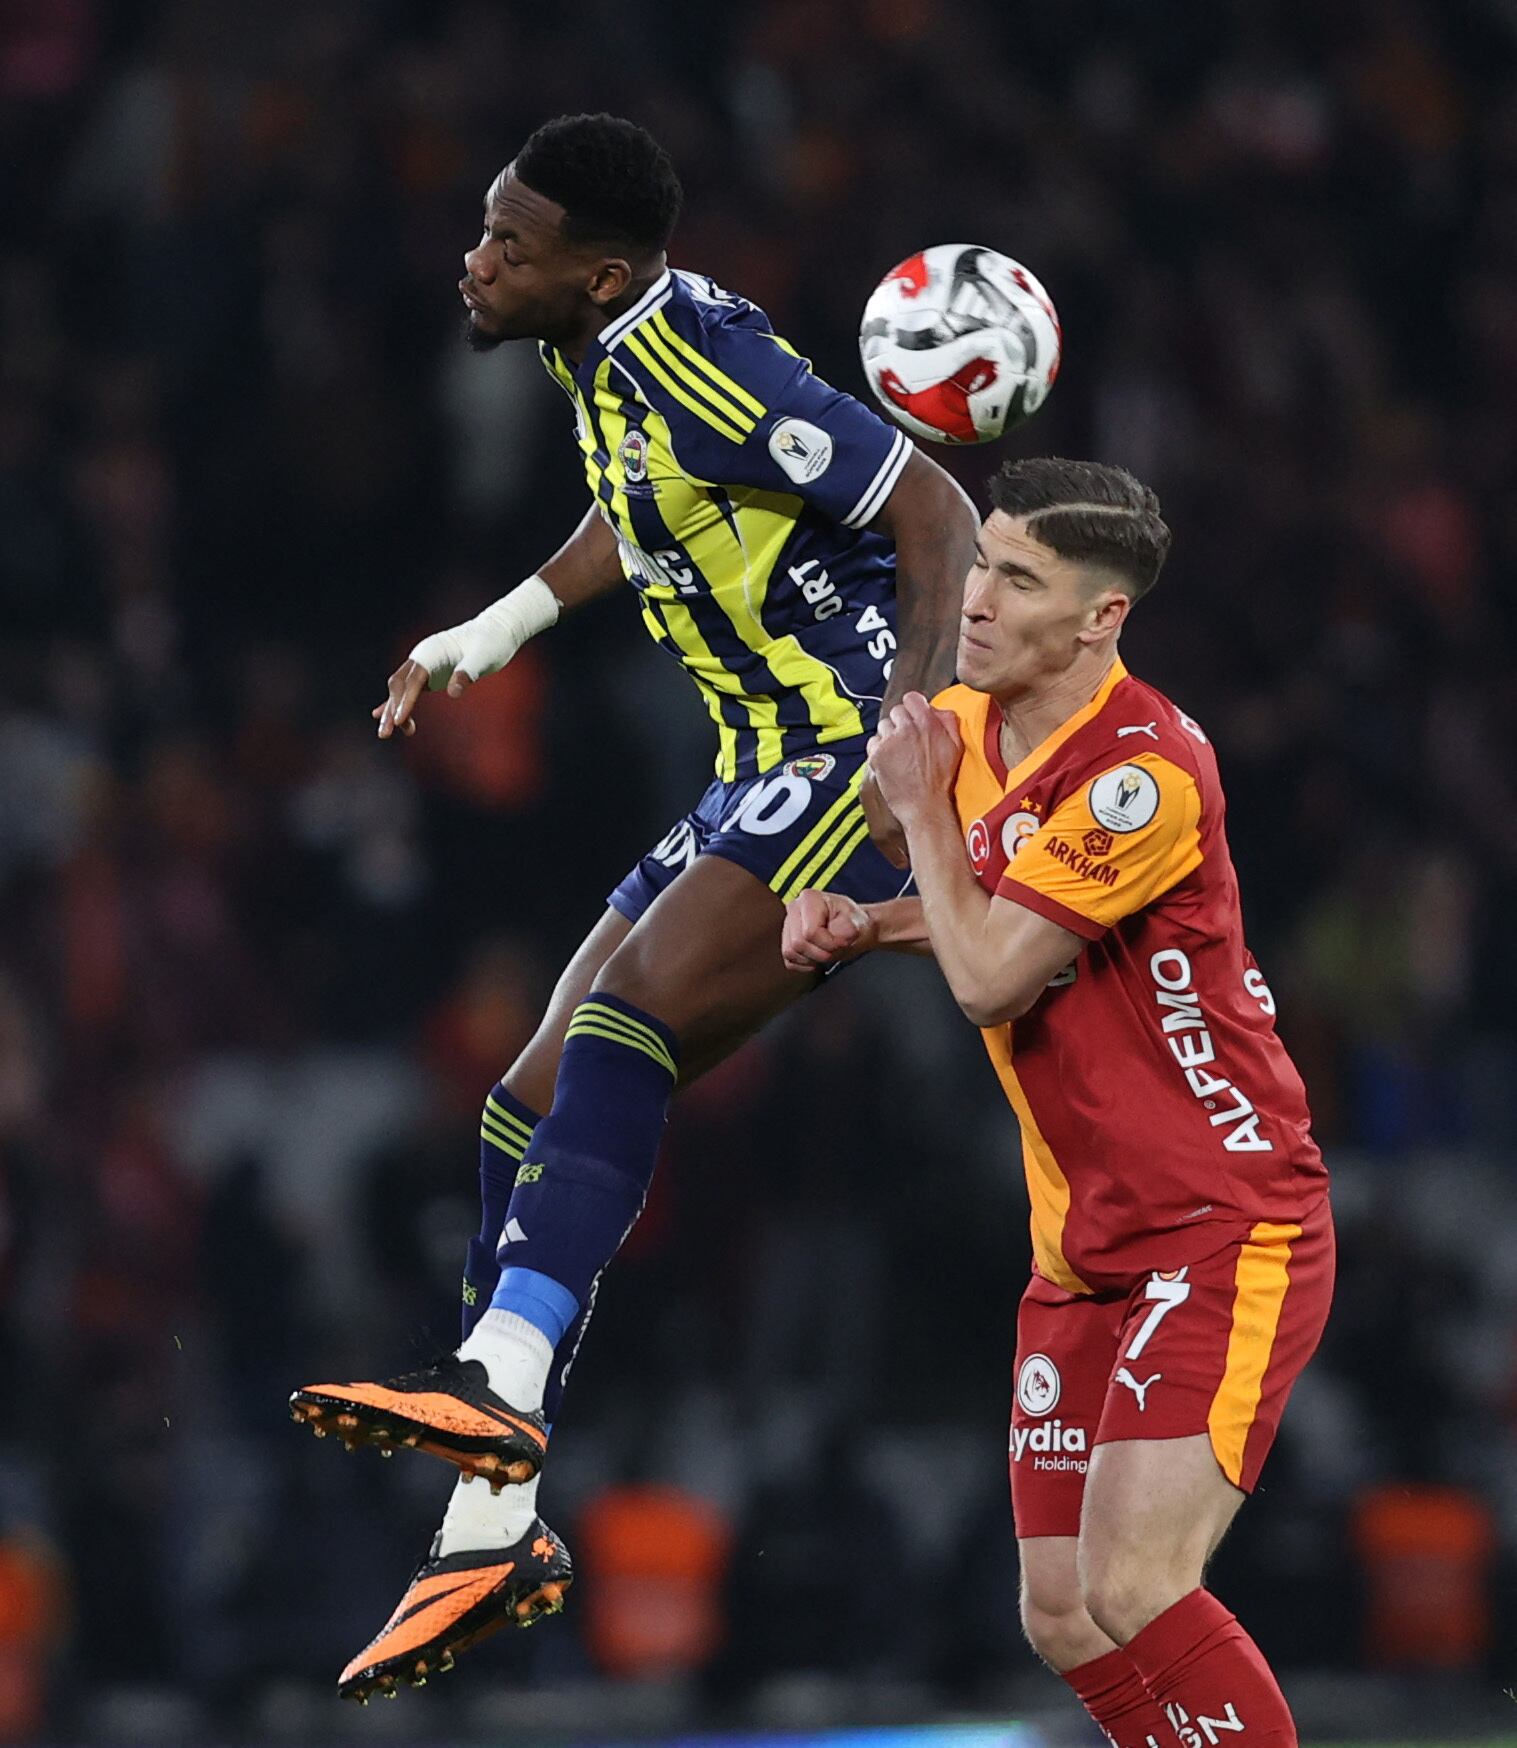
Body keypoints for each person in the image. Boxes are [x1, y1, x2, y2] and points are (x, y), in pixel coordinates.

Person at [288, 112, 977, 1701]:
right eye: (485, 229)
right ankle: (490, 1527)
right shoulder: (595, 351)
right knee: (517, 1106)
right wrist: (501, 623)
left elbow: (931, 510)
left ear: (593, 273)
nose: (479, 259)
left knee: (620, 1025)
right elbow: (644, 507)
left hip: (844, 750)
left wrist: (919, 745)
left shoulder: (713, 364)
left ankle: (503, 1386)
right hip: (752, 767)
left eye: (509, 246)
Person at [782, 457, 1332, 1747]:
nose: (976, 600)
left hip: (1221, 1224)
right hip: (1082, 1249)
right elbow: (995, 908)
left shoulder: (1142, 774)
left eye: (1018, 580)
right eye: (982, 562)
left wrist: (914, 821)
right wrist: (864, 923)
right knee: (1062, 1613)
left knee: (1138, 1584)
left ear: (1102, 619)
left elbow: (990, 978)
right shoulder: (976, 727)